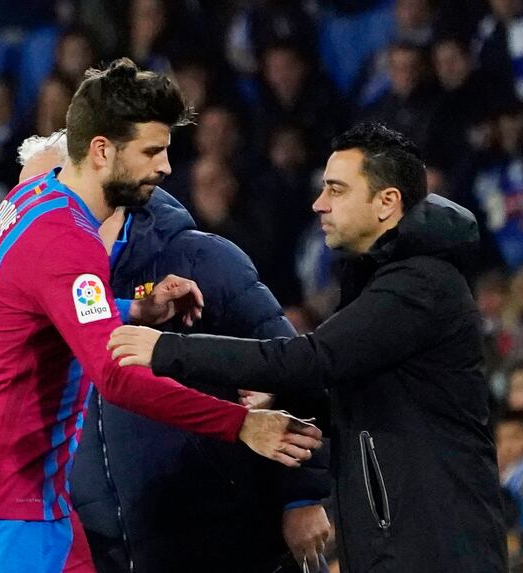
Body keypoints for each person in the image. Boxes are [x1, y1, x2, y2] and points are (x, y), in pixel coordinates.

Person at [0, 58, 322, 573]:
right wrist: (241, 423)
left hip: (27, 500)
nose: (166, 168)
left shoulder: (31, 199)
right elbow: (115, 378)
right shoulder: (69, 241)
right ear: (103, 150)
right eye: (152, 151)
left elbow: (39, 308)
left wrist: (138, 306)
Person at [109, 121, 508, 572]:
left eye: (336, 190)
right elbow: (363, 396)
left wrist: (164, 349)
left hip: (434, 547)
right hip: (402, 538)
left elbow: (310, 359)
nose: (319, 204)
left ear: (386, 202)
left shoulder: (421, 284)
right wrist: (281, 397)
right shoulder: (383, 280)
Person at [18, 132, 332, 572]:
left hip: (220, 536)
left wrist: (302, 496)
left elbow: (293, 371)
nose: (23, 217)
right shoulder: (34, 295)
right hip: (99, 549)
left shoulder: (202, 260)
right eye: (19, 200)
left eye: (41, 193)